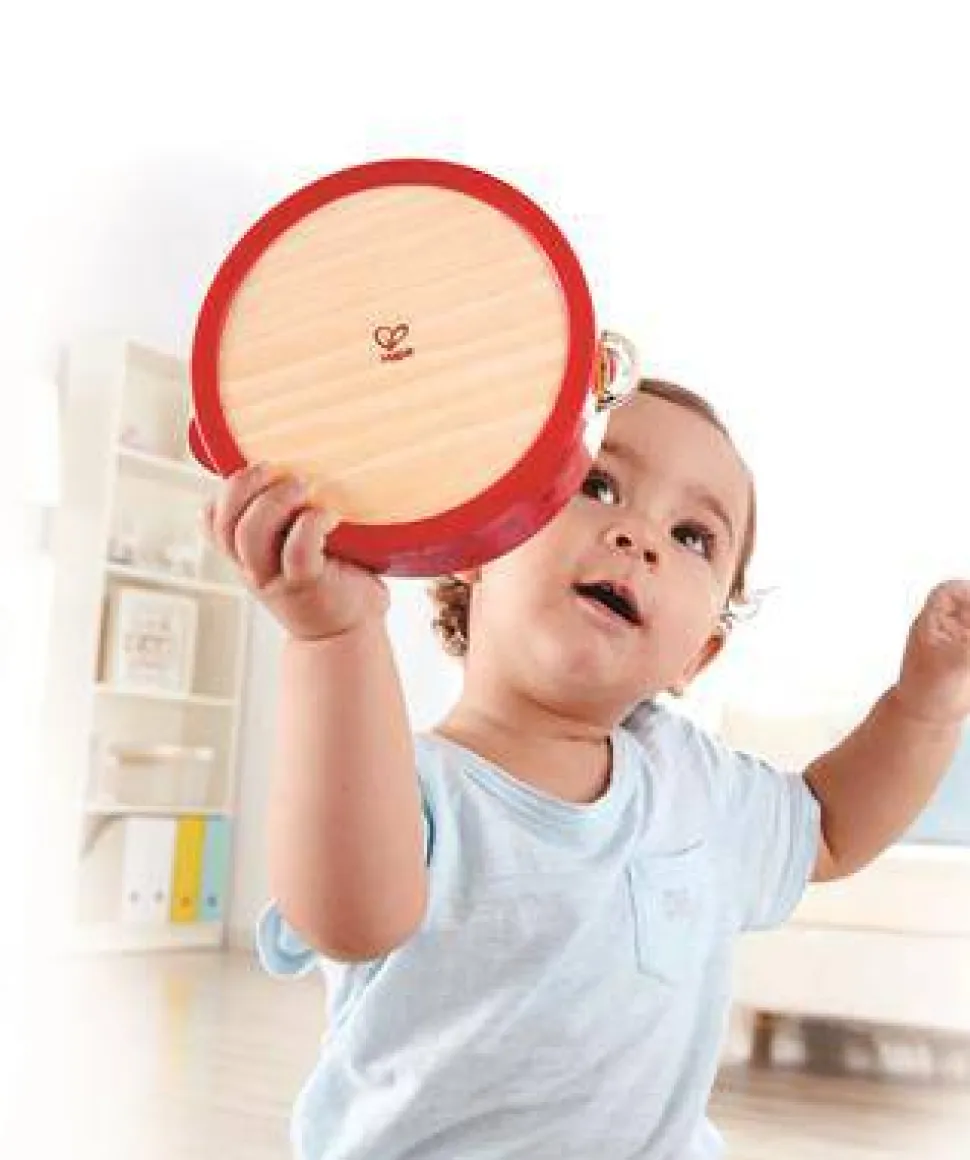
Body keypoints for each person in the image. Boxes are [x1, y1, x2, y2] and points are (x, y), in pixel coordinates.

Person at [203, 377, 970, 1159]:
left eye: (693, 536)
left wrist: (926, 701)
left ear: (699, 655)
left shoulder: (693, 783)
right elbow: (349, 918)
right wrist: (336, 636)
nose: (640, 537)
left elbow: (831, 830)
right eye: (597, 486)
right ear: (480, 544)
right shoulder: (410, 784)